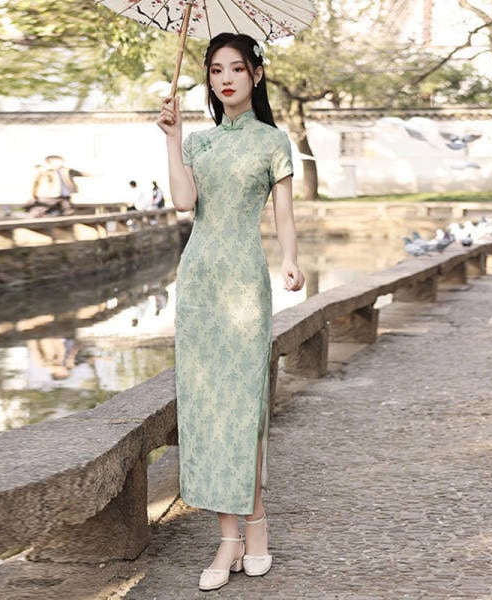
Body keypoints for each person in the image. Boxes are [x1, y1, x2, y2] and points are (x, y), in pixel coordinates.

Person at [157, 32, 305, 592]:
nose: (225, 79)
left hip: (244, 282)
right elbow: (183, 202)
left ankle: (256, 524)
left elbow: (284, 213)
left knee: (244, 405)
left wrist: (290, 259)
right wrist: (173, 139)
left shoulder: (273, 142)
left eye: (236, 69)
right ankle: (227, 538)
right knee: (206, 407)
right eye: (216, 70)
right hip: (199, 283)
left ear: (256, 75)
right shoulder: (198, 142)